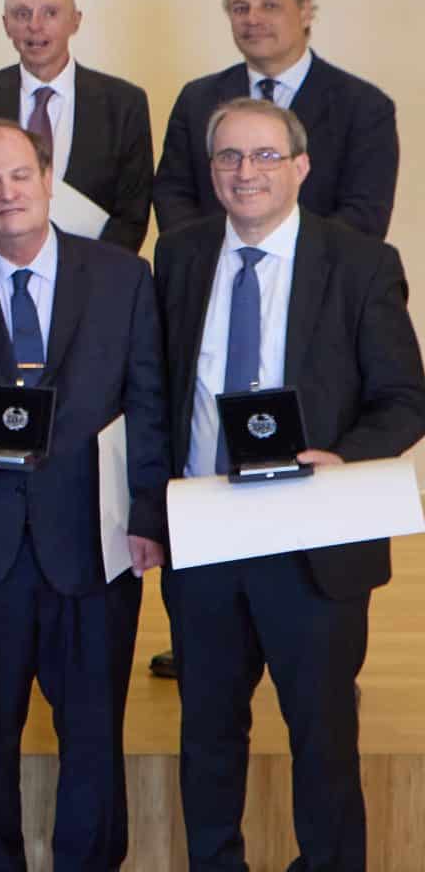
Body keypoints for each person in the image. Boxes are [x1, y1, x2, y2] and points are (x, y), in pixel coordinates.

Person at [152, 98, 425, 870]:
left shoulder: (361, 262)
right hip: (205, 531)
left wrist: (343, 458)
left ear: (301, 167)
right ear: (211, 172)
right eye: (230, 158)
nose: (247, 173)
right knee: (207, 730)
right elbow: (157, 390)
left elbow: (405, 398)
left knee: (323, 733)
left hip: (316, 537)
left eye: (266, 156)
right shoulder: (178, 256)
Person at [0, 119, 168, 872]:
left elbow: (148, 402)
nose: (6, 193)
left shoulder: (122, 275)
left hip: (92, 540)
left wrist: (148, 517)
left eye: (19, 175)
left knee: (93, 732)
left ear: (47, 178)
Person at [152, 0, 396, 239]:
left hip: (320, 276)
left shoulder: (364, 106)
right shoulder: (197, 99)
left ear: (305, 10)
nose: (253, 19)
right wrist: (217, 257)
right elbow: (173, 193)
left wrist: (284, 259)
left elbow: (365, 213)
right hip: (216, 273)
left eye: (270, 6)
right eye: (240, 8)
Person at [0, 0, 155, 251]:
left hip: (93, 275)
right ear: (6, 25)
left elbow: (132, 213)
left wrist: (96, 273)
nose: (34, 26)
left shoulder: (123, 102)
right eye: (22, 14)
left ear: (75, 21)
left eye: (50, 13)